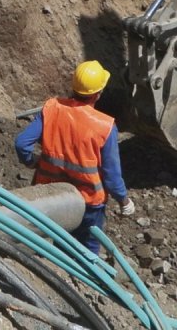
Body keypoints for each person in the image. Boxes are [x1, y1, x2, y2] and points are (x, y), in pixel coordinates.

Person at [14, 61, 135, 255]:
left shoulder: (52, 109)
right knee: (88, 251)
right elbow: (111, 176)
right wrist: (124, 201)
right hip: (87, 202)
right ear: (97, 94)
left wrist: (31, 162)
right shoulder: (104, 127)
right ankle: (83, 284)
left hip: (49, 195)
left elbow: (22, 144)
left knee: (55, 242)